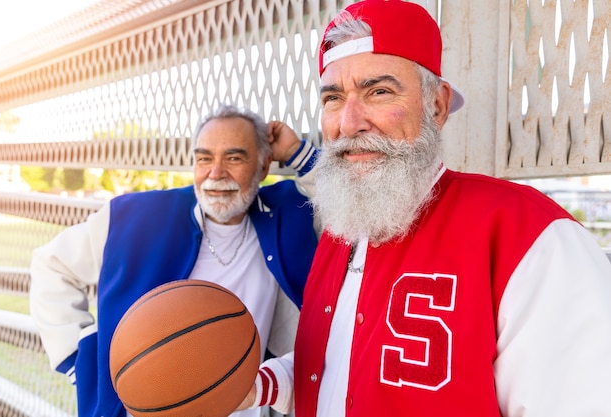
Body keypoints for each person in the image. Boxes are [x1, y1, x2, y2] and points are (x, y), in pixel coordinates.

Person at [239, 1, 611, 416]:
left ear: (436, 105)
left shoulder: (530, 235)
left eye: (378, 91)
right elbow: (335, 365)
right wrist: (257, 387)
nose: (349, 122)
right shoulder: (343, 226)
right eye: (333, 97)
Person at [29, 104, 319, 417]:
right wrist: (78, 361)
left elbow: (347, 198)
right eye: (204, 158)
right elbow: (51, 265)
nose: (216, 173)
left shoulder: (288, 214)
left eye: (234, 158)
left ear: (263, 167)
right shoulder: (136, 217)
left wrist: (295, 152)